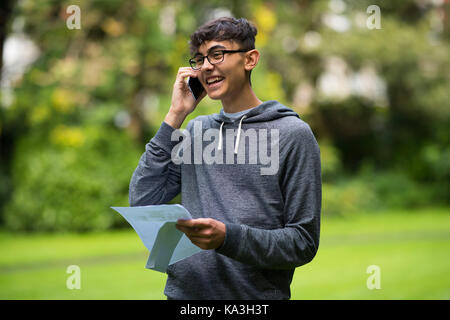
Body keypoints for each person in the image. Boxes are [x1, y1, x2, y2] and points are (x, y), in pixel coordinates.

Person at [129, 17, 322, 300]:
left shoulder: (292, 134)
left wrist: (228, 238)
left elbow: (302, 242)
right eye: (199, 59)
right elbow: (143, 199)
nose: (206, 66)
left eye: (217, 54)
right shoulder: (195, 130)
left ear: (250, 59)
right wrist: (175, 115)